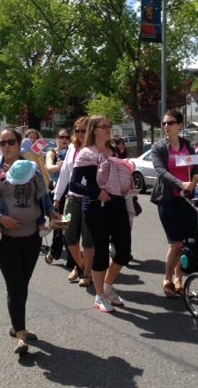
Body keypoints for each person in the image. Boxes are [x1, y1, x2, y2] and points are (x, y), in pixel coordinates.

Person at [0, 127, 58, 354]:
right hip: (5, 239)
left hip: (31, 237)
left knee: (22, 285)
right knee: (15, 287)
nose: (6, 147)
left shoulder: (31, 168)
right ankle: (21, 336)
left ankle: (17, 325)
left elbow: (42, 195)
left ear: (19, 143)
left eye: (11, 142)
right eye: (2, 143)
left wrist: (52, 213)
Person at [70, 115, 132, 313]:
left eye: (109, 125)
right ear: (94, 129)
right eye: (105, 126)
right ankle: (99, 296)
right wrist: (97, 193)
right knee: (101, 252)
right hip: (96, 207)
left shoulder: (113, 150)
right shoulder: (86, 154)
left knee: (123, 251)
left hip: (118, 204)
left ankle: (107, 286)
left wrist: (126, 184)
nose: (108, 129)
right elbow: (74, 184)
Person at [150, 109, 198, 298]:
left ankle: (179, 278)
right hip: (167, 199)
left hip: (186, 199)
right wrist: (181, 184)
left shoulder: (187, 146)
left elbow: (196, 169)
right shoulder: (158, 147)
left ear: (180, 125)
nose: (166, 126)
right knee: (175, 242)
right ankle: (167, 279)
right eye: (164, 123)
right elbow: (161, 172)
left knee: (187, 242)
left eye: (170, 123)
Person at [53, 117, 95, 287]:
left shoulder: (95, 148)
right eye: (77, 130)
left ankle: (86, 272)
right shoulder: (71, 148)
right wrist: (56, 198)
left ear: (91, 131)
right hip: (71, 197)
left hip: (89, 198)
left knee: (87, 239)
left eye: (83, 130)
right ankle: (81, 264)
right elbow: (64, 174)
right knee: (67, 234)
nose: (79, 133)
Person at [44, 129, 71, 264]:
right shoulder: (52, 153)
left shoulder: (72, 152)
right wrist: (60, 167)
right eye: (61, 137)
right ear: (56, 139)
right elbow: (48, 167)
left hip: (71, 193)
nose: (65, 139)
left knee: (70, 225)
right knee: (60, 226)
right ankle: (54, 252)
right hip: (56, 194)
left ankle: (70, 259)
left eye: (67, 137)